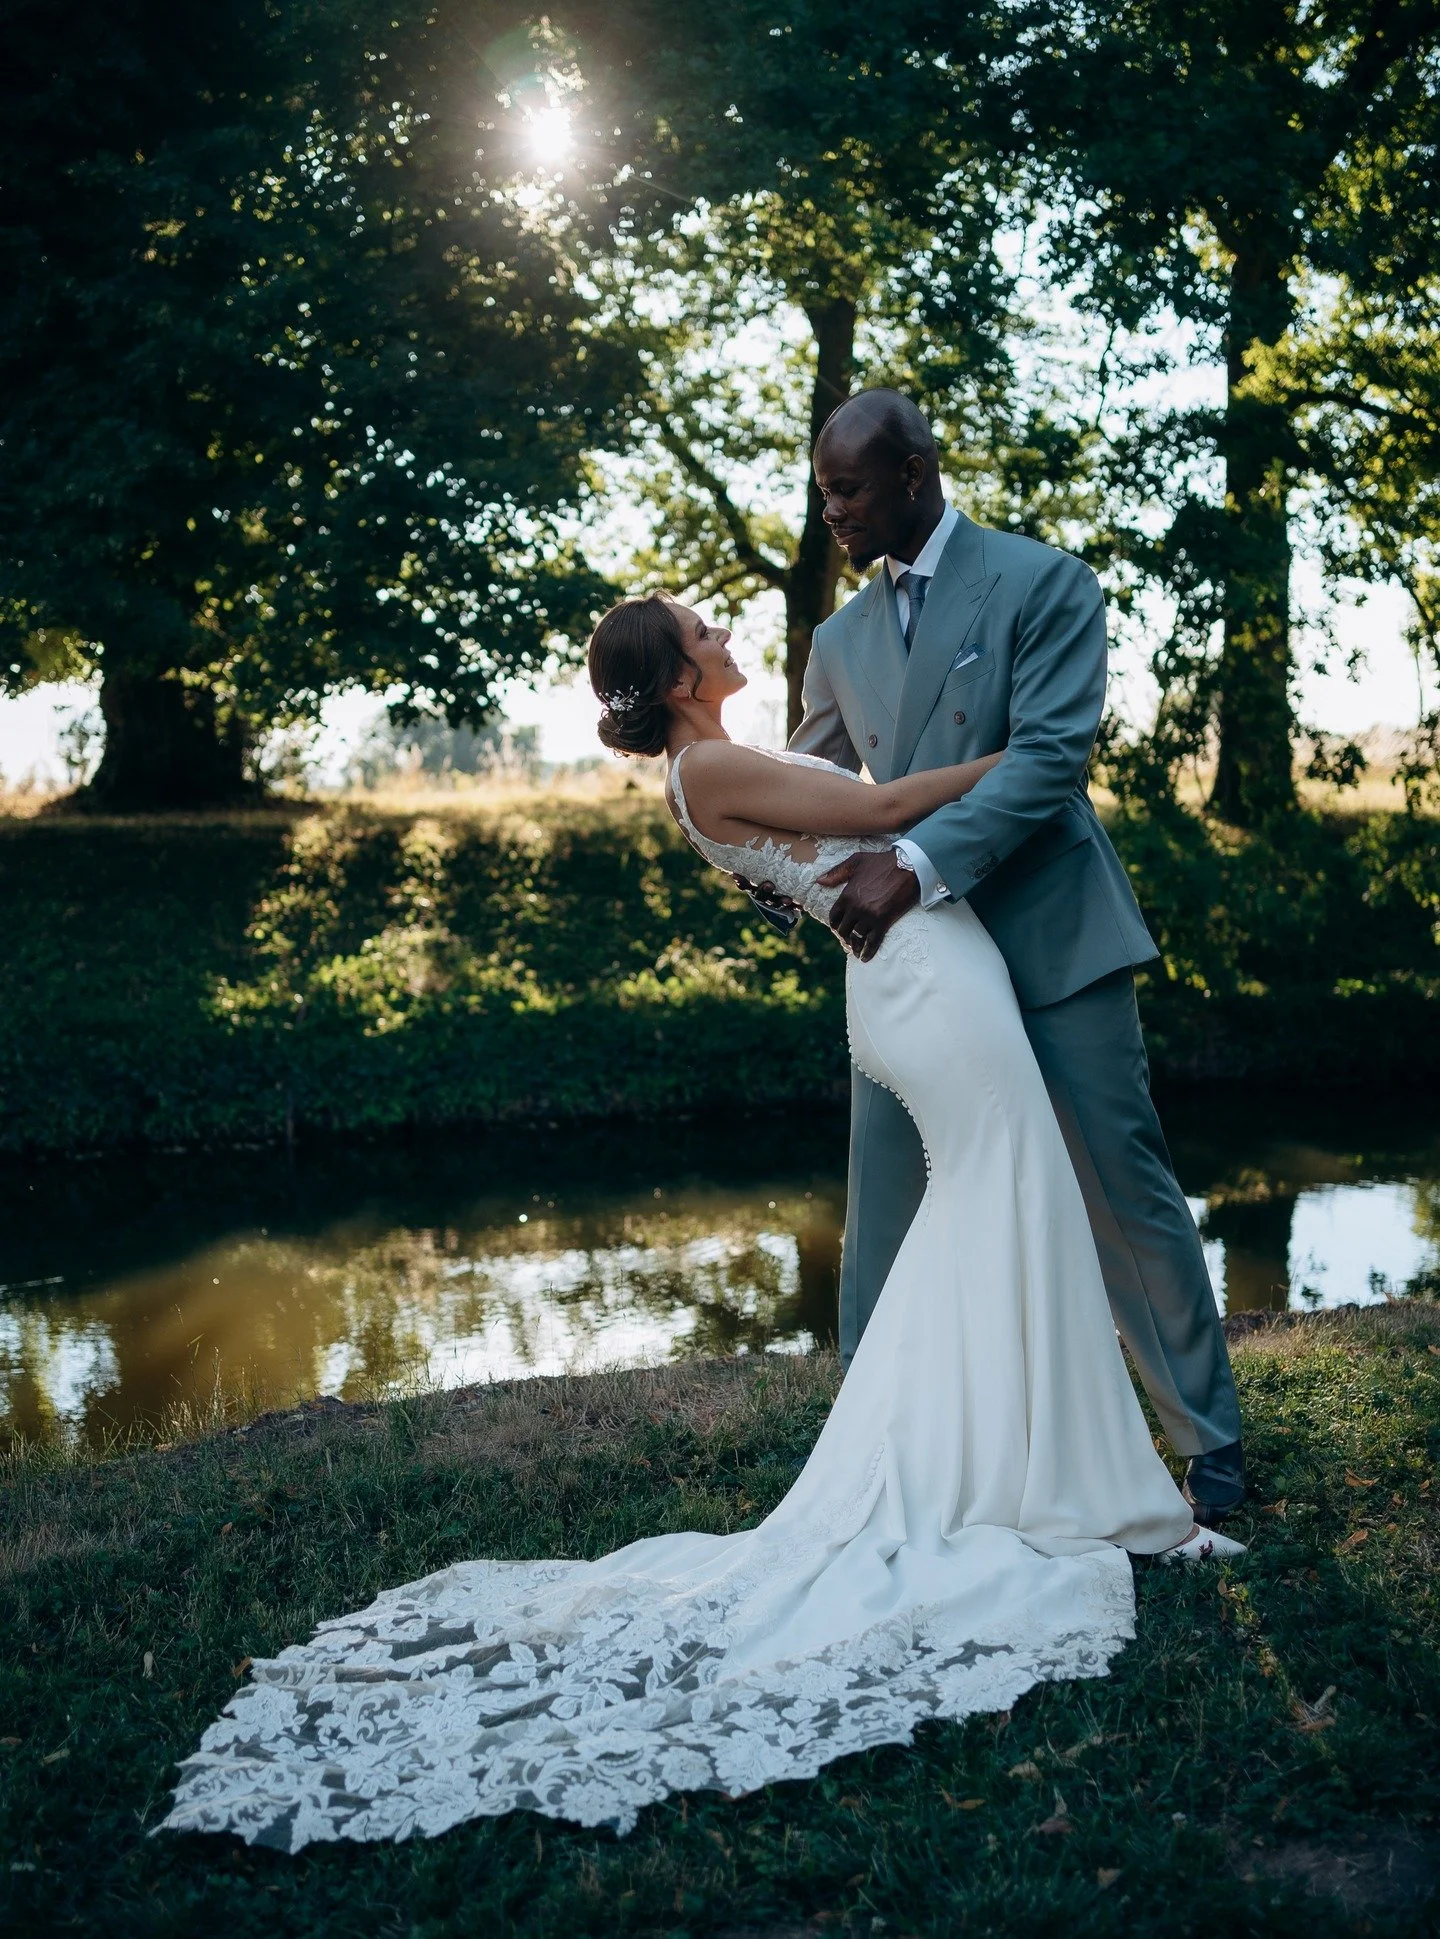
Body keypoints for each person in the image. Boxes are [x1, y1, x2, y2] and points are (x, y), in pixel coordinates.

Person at [160, 590, 1241, 1855]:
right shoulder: (712, 762)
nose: (724, 631)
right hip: (925, 981)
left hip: (918, 974)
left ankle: (1026, 1468)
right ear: (676, 677)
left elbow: (849, 820)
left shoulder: (712, 759)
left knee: (1001, 1205)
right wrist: (1034, 754)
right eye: (702, 629)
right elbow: (889, 814)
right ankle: (1056, 1483)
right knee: (1010, 1194)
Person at [762, 389, 1244, 1530]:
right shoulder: (838, 641)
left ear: (917, 474)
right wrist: (737, 832)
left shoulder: (1046, 584)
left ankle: (1210, 1443)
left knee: (1122, 1186)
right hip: (914, 966)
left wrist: (912, 864)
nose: (830, 510)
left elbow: (1047, 765)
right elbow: (810, 793)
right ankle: (873, 1460)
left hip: (1049, 940)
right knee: (883, 1205)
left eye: (850, 488)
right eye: (823, 489)